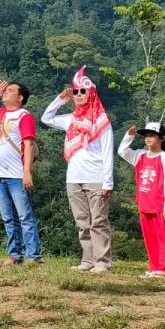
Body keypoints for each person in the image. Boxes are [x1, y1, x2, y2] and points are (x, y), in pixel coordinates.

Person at [42, 67, 115, 273]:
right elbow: (46, 118)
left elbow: (108, 153)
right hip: (74, 178)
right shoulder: (70, 119)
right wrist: (59, 100)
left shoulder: (102, 122)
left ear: (91, 93)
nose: (79, 95)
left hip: (96, 177)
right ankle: (88, 260)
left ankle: (103, 262)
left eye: (83, 91)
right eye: (76, 91)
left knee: (98, 221)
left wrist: (108, 181)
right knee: (82, 222)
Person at [0, 79, 42, 265]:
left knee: (24, 216)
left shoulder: (24, 116)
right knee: (8, 218)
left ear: (20, 97)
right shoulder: (0, 113)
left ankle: (33, 256)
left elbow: (29, 145)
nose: (6, 92)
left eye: (10, 90)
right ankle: (14, 255)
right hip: (0, 174)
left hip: (16, 174)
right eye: (5, 90)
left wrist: (27, 172)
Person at [118, 121, 165, 277]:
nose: (148, 138)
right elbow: (122, 151)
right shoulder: (140, 155)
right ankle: (154, 267)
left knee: (163, 237)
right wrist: (128, 137)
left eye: (152, 135)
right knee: (149, 237)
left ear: (161, 138)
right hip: (144, 203)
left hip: (159, 204)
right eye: (146, 136)